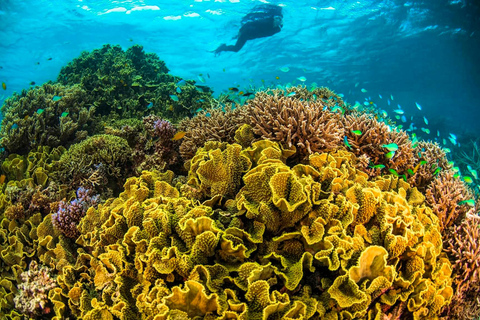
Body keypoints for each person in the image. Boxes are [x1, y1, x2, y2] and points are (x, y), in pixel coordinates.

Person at [214, 4, 283, 55]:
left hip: (247, 33)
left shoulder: (275, 28)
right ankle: (222, 48)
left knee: (236, 47)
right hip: (247, 32)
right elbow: (252, 24)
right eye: (277, 19)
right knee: (236, 48)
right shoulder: (269, 22)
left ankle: (223, 47)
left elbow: (256, 28)